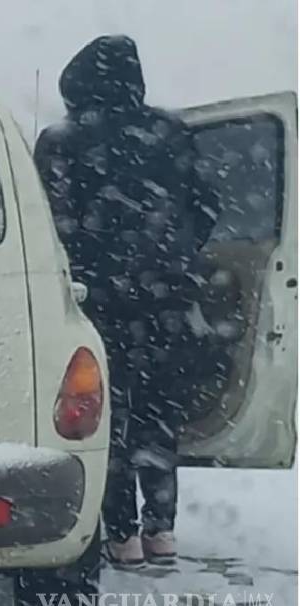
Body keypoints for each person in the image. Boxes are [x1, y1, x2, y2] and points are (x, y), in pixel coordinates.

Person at [34, 35, 218, 566]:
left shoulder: (61, 140)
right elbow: (208, 205)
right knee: (159, 414)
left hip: (96, 300)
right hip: (166, 301)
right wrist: (175, 253)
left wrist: (88, 258)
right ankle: (162, 531)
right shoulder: (172, 132)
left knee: (105, 416)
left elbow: (46, 218)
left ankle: (121, 535)